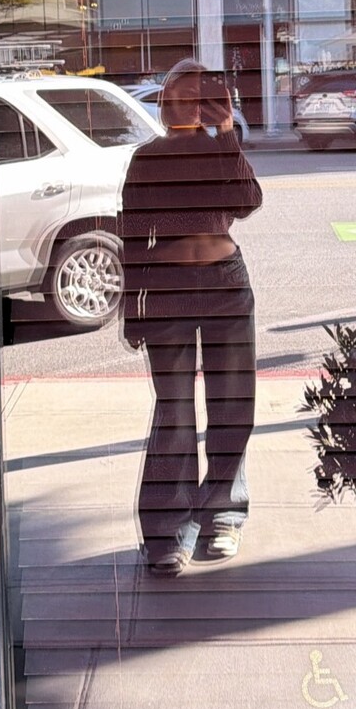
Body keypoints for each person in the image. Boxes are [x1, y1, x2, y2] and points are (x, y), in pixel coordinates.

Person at [120, 58, 262, 576]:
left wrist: (227, 135)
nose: (189, 106)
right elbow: (133, 238)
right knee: (175, 412)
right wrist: (132, 309)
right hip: (169, 291)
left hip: (226, 285)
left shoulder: (220, 148)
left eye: (201, 98)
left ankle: (223, 514)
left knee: (232, 405)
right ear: (163, 106)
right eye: (180, 98)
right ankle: (166, 533)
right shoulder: (146, 158)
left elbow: (248, 202)